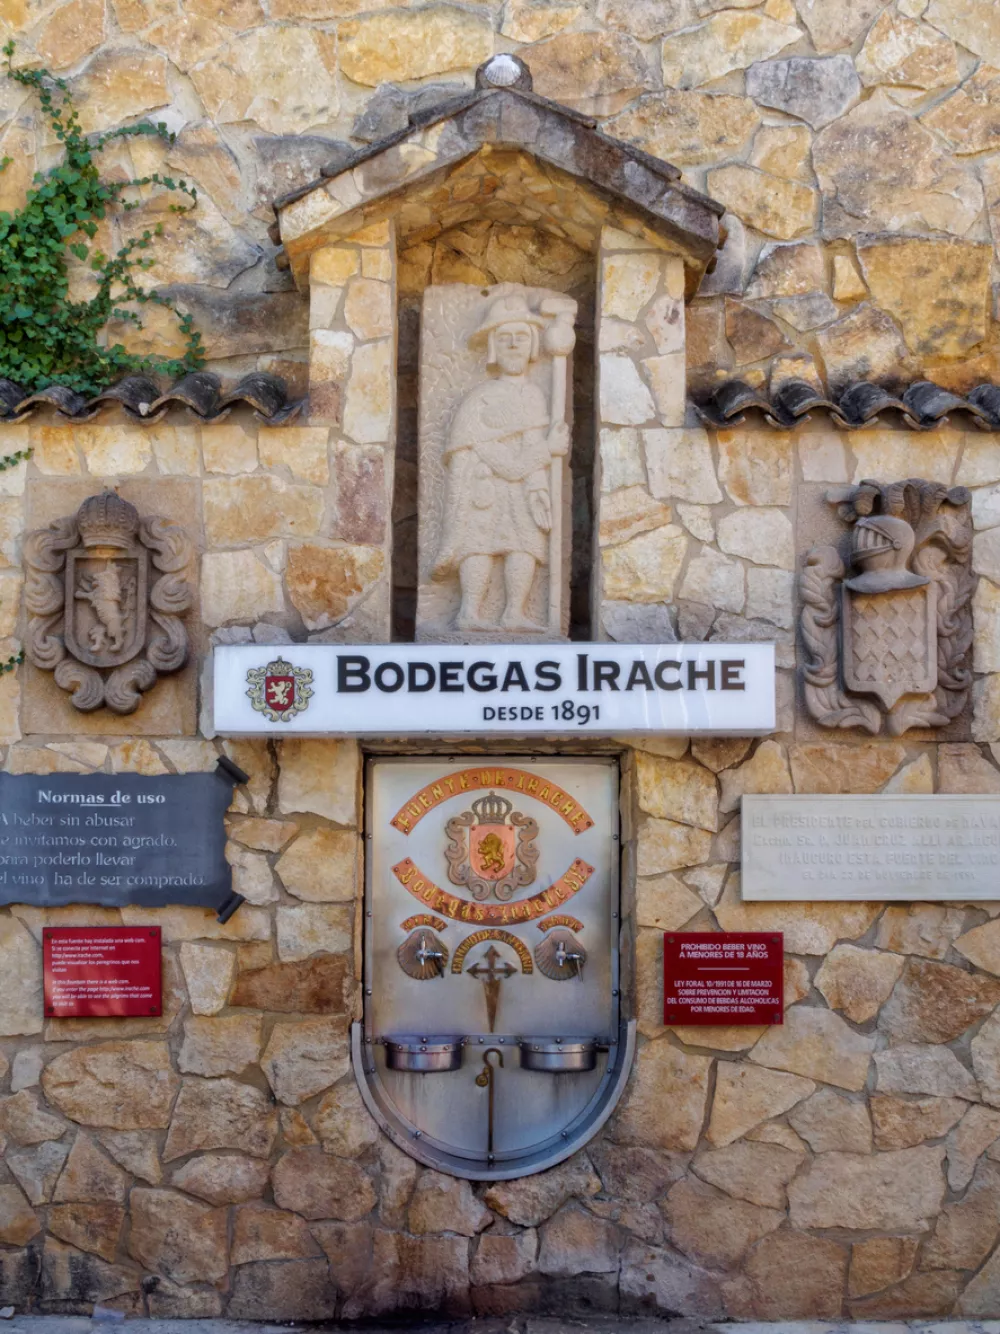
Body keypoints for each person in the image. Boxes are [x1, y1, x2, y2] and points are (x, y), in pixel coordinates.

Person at [433, 292, 568, 631]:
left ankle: (514, 613)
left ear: (533, 344)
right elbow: (489, 454)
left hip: (521, 490)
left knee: (525, 543)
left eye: (521, 337)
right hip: (484, 489)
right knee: (478, 544)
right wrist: (546, 451)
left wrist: (539, 490)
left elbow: (531, 444)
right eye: (505, 338)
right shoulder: (480, 400)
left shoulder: (535, 395)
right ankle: (469, 613)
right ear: (493, 345)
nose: (513, 345)